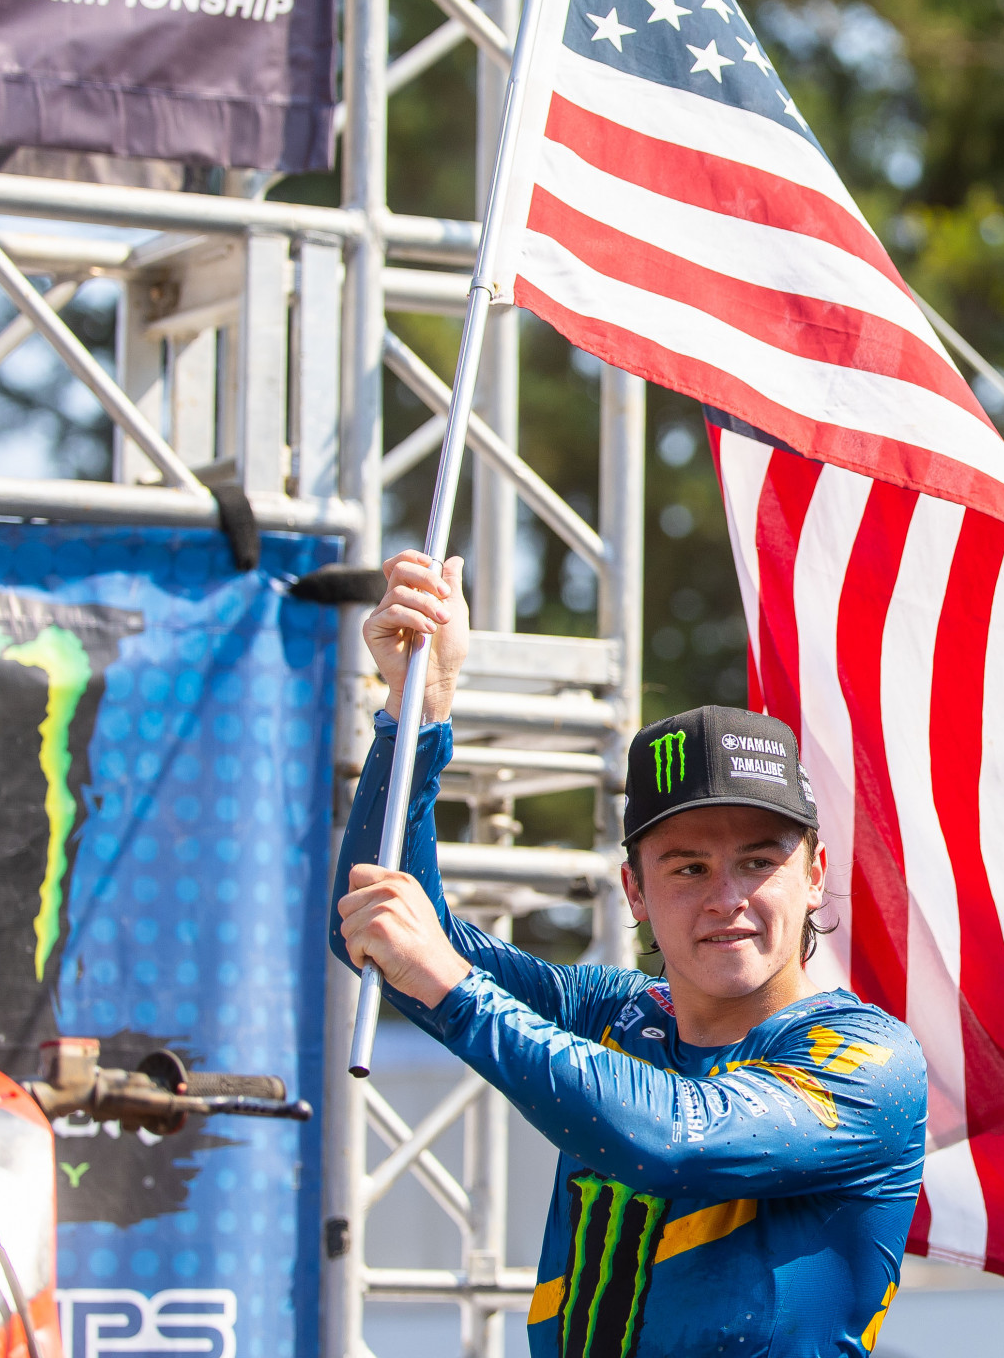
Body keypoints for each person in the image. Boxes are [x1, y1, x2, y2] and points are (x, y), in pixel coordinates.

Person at [331, 551, 928, 1358]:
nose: (727, 898)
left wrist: (456, 991)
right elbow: (380, 923)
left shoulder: (869, 1058)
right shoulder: (613, 1014)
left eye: (760, 861)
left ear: (816, 876)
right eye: (688, 868)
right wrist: (418, 710)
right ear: (635, 891)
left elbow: (679, 1136)